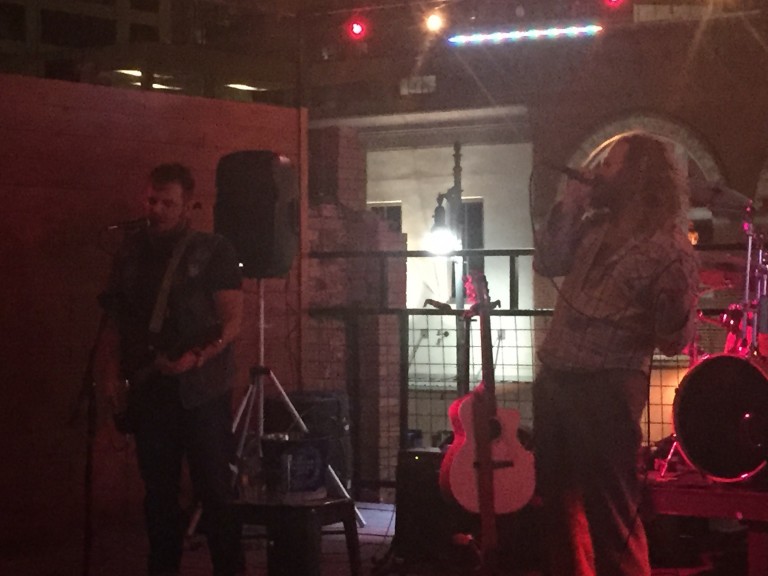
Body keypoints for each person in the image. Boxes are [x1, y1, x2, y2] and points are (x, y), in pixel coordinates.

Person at [532, 133, 699, 576]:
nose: (597, 171)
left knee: (610, 515)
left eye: (609, 164)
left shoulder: (667, 248)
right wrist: (570, 204)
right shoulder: (593, 226)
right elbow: (546, 261)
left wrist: (672, 307)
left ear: (636, 175)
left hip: (606, 388)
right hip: (556, 379)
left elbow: (674, 339)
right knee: (557, 510)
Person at [95, 163, 244, 576]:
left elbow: (233, 320)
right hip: (151, 388)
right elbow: (116, 320)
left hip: (202, 390)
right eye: (151, 200)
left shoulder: (213, 250)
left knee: (214, 488)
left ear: (188, 205)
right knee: (158, 492)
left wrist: (198, 357)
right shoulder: (130, 251)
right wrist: (111, 372)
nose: (157, 209)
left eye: (167, 203)